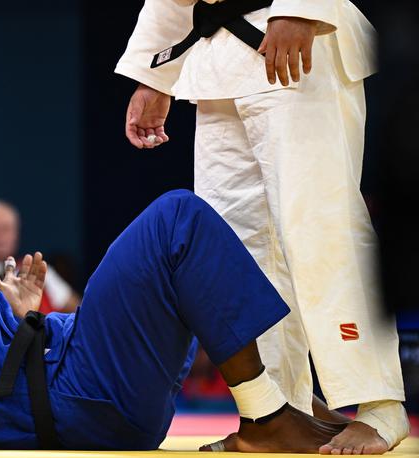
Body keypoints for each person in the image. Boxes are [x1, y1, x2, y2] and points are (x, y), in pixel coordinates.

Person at [0, 190, 348, 451]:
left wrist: (21, 313)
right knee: (176, 220)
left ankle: (279, 401)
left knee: (185, 252)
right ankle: (265, 418)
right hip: (80, 393)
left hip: (76, 368)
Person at [115, 0, 409, 453]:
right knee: (235, 250)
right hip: (217, 61)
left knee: (322, 226)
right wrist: (155, 74)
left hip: (296, 34)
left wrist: (300, 8)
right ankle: (278, 413)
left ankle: (380, 404)